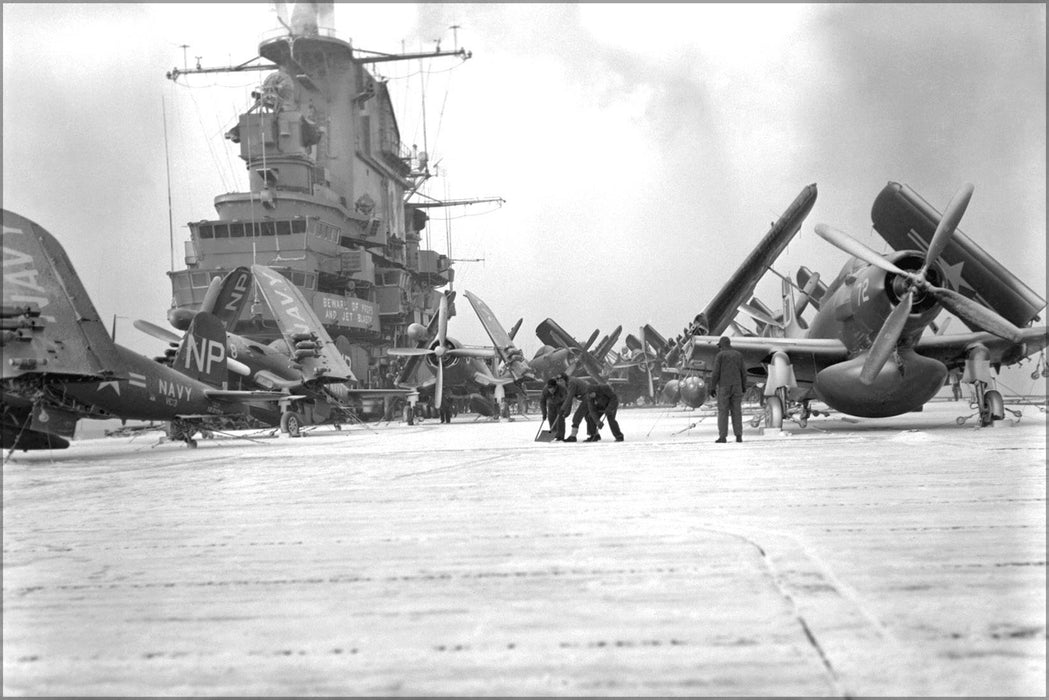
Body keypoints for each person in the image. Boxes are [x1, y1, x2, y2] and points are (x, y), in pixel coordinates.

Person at [710, 336, 746, 443]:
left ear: (721, 345)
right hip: (737, 386)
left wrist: (712, 387)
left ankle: (723, 437)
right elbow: (743, 372)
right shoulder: (738, 355)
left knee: (723, 411)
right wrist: (744, 386)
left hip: (724, 386)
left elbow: (716, 372)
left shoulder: (720, 355)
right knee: (737, 411)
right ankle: (738, 436)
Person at [559, 374, 595, 442]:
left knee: (577, 416)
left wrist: (562, 409)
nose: (560, 383)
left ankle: (573, 436)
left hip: (589, 397)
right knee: (588, 417)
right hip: (588, 397)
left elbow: (569, 398)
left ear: (565, 379)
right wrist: (567, 412)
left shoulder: (571, 383)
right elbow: (569, 398)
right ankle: (595, 435)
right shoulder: (567, 384)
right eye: (559, 381)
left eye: (561, 381)